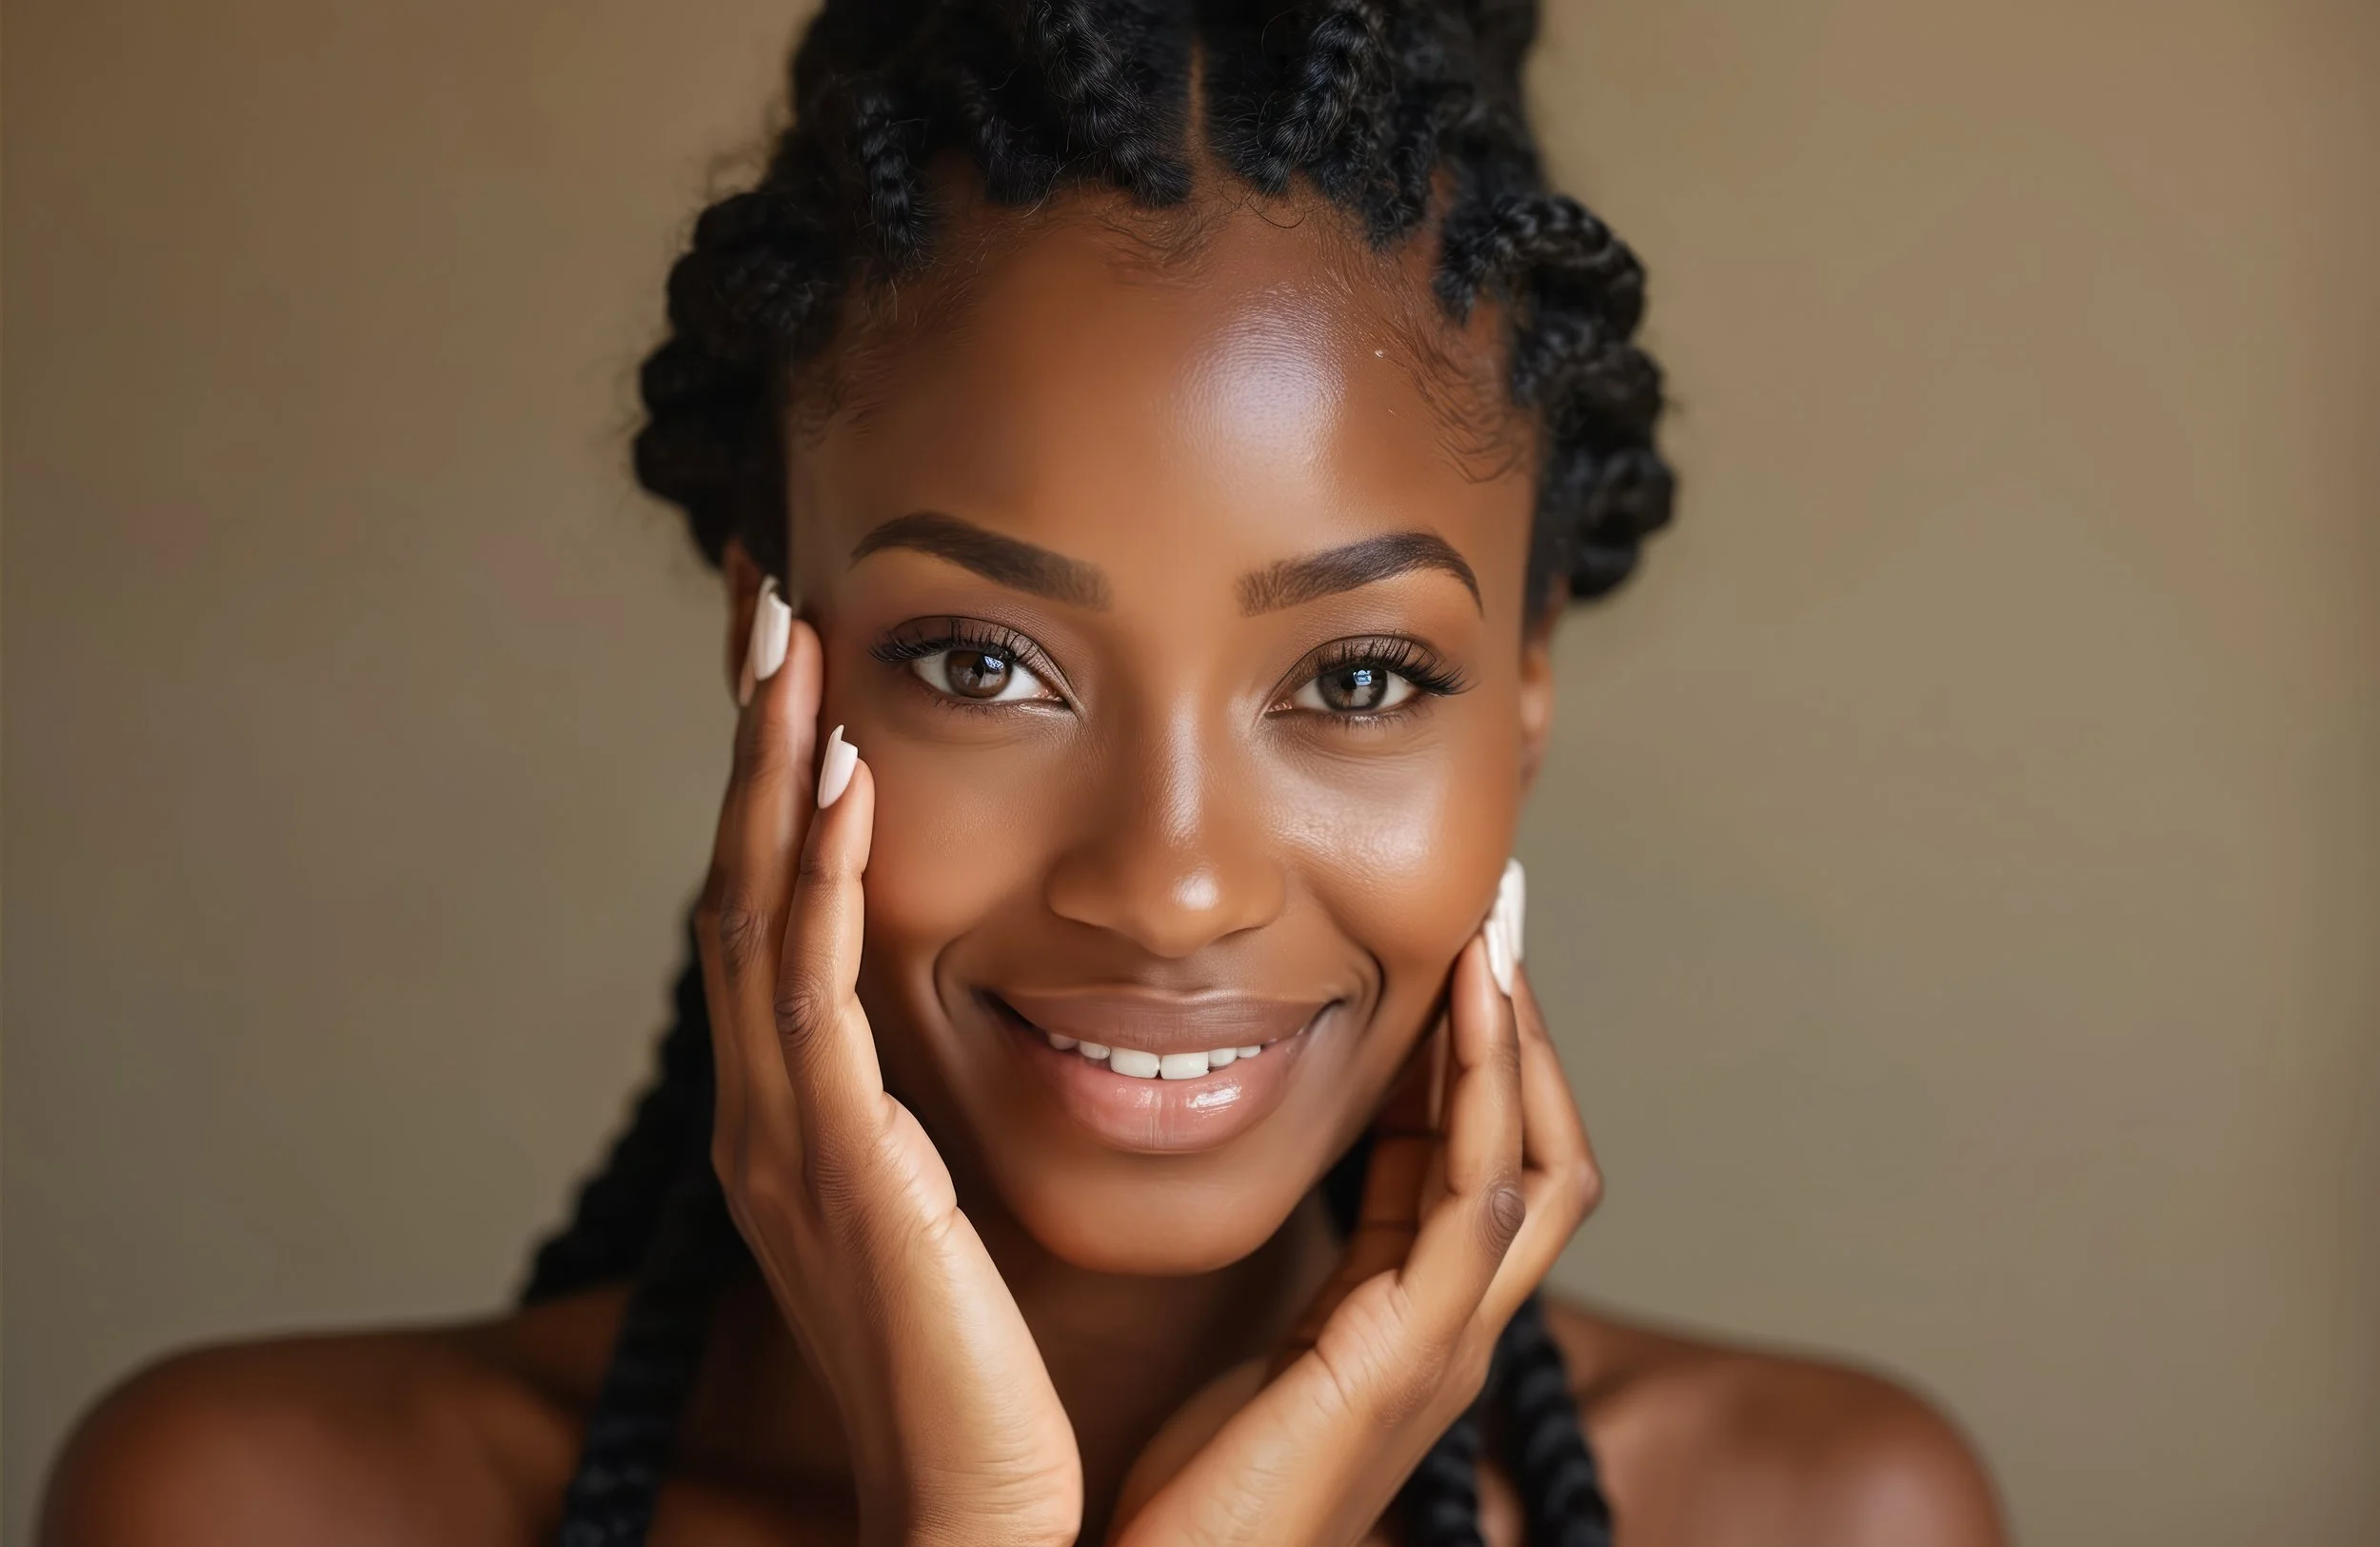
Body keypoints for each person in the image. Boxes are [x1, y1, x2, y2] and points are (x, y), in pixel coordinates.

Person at [40, 3, 2007, 1543]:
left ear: (1525, 697)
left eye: (1357, 673)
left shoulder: (1820, 1511)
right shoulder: (260, 1502)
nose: (1168, 880)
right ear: (769, 650)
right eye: (982, 659)